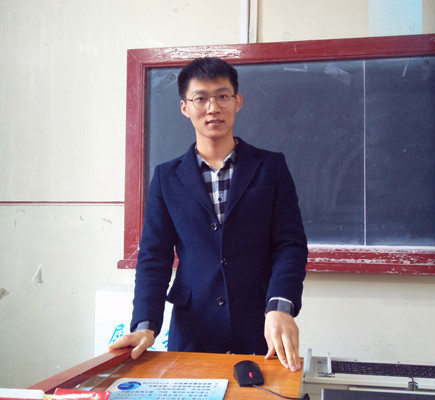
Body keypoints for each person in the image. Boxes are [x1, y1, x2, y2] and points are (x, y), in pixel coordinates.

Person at [108, 57, 308, 372]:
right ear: (185, 107)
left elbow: (290, 245)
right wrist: (145, 324)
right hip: (193, 329)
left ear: (237, 102)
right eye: (200, 98)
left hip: (262, 327)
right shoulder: (167, 177)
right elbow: (154, 257)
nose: (213, 107)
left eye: (222, 96)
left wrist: (280, 305)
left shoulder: (271, 167)